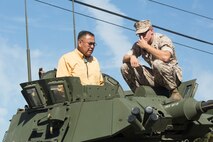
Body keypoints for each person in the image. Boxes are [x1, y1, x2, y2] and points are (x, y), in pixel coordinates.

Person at [121, 20, 182, 101]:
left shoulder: (162, 39)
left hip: (172, 76)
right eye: (139, 35)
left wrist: (146, 47)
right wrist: (132, 57)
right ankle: (139, 95)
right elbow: (124, 58)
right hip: (156, 76)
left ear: (151, 31)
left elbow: (165, 57)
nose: (141, 37)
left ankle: (174, 92)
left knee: (157, 63)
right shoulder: (140, 44)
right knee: (125, 67)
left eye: (144, 33)